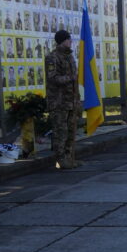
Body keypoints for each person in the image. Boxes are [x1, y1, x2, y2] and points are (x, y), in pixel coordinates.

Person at [45, 30, 81, 169]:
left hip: (71, 101)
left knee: (71, 131)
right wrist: (70, 78)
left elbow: (75, 80)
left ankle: (69, 158)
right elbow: (53, 78)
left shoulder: (70, 57)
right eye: (68, 39)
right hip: (59, 102)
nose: (71, 41)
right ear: (62, 41)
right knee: (61, 132)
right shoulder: (52, 57)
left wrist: (77, 99)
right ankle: (60, 159)